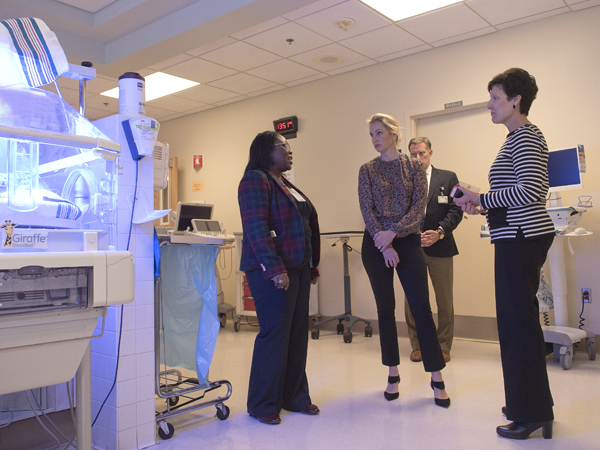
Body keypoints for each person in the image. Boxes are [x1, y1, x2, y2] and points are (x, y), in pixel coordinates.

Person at [453, 68, 555, 440]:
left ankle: (530, 412)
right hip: (515, 235)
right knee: (518, 325)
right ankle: (530, 407)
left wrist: (482, 199)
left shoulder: (526, 137)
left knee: (517, 327)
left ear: (516, 100)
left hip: (521, 238)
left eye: (496, 98)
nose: (490, 105)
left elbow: (530, 191)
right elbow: (514, 194)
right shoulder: (516, 139)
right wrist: (482, 204)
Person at [359, 113, 450, 408]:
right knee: (385, 309)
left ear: (394, 135)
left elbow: (418, 209)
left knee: (421, 307)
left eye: (379, 133)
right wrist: (384, 244)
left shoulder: (413, 167)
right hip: (375, 244)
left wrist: (395, 233)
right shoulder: (367, 170)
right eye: (371, 134)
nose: (374, 139)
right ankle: (392, 373)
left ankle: (436, 377)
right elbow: (367, 210)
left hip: (408, 240)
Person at [238, 131, 321, 425]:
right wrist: (274, 269)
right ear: (266, 150)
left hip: (296, 267)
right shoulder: (254, 180)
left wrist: (311, 266)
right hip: (271, 270)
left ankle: (294, 397)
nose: (289, 151)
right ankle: (262, 404)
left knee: (297, 333)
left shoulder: (283, 182)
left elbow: (301, 226)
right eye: (283, 146)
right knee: (274, 335)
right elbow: (256, 227)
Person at [405, 137, 463, 364]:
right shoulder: (404, 179)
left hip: (441, 246)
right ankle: (417, 345)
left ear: (430, 153)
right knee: (413, 300)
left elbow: (456, 211)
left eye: (421, 153)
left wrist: (439, 232)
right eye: (413, 154)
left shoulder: (448, 178)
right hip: (412, 247)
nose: (417, 158)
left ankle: (443, 345)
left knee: (444, 300)